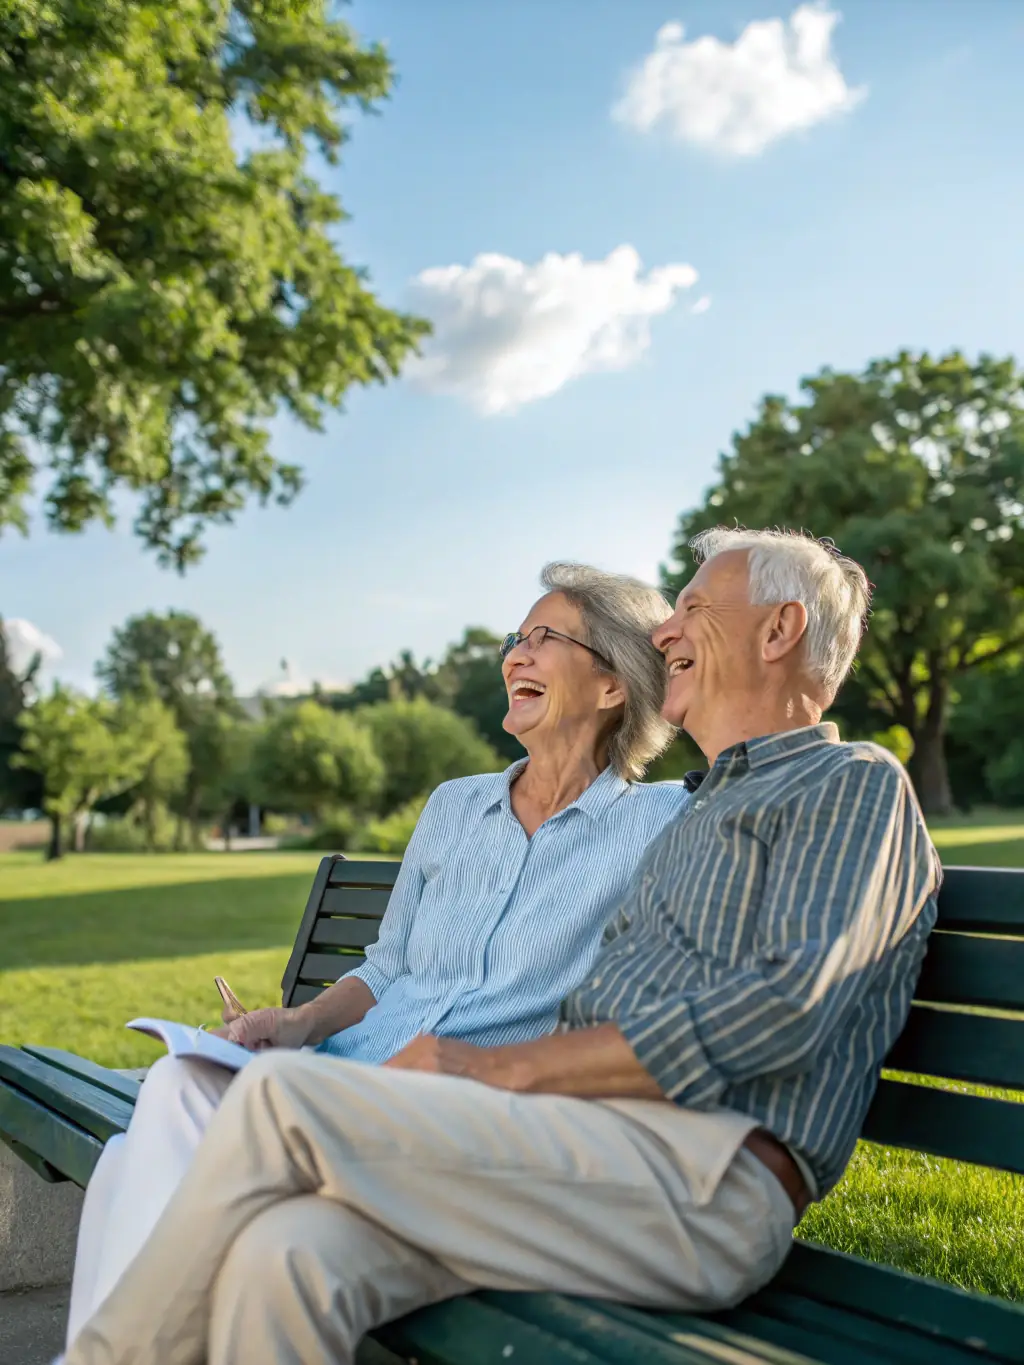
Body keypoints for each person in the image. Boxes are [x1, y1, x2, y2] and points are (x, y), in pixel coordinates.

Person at [63, 528, 941, 1365]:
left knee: (276, 1099)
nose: (666, 628)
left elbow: (785, 1008)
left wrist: (493, 1069)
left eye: (693, 607)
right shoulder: (700, 807)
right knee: (286, 1254)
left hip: (702, 1177)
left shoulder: (850, 782)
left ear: (782, 628)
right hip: (576, 1155)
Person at [64, 562, 691, 1345]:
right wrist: (296, 1022)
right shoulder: (455, 804)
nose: (515, 656)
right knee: (171, 1092)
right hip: (340, 1073)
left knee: (141, 1152)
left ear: (611, 687)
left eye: (545, 637)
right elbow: (388, 964)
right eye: (514, 639)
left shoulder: (663, 823)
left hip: (458, 1110)